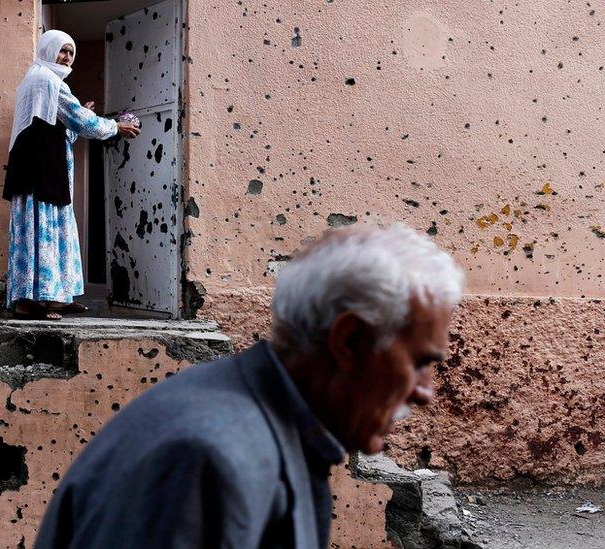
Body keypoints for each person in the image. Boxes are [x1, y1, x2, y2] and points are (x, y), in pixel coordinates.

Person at [34, 223, 465, 548]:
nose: (425, 391)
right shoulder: (206, 459)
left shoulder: (257, 430)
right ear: (349, 340)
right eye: (421, 362)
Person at [3, 30, 141, 320]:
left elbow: (55, 128)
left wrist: (78, 114)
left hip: (35, 166)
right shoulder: (49, 81)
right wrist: (116, 127)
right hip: (41, 171)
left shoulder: (36, 79)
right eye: (62, 50)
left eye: (70, 53)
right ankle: (40, 301)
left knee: (39, 228)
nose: (66, 57)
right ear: (48, 49)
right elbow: (81, 121)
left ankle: (45, 299)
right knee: (45, 229)